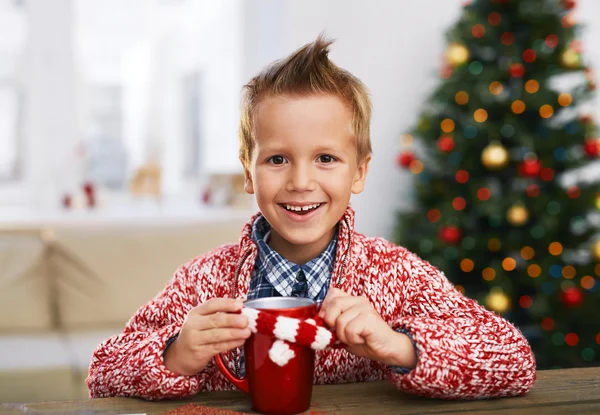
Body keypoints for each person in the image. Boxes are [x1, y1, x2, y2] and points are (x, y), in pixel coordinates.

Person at [87, 35, 536, 400]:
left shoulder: (397, 277)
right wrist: (175, 354)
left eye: (325, 158)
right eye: (278, 160)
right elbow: (103, 372)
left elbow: (514, 358)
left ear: (359, 171)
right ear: (249, 172)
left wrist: (399, 346)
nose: (301, 181)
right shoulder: (203, 282)